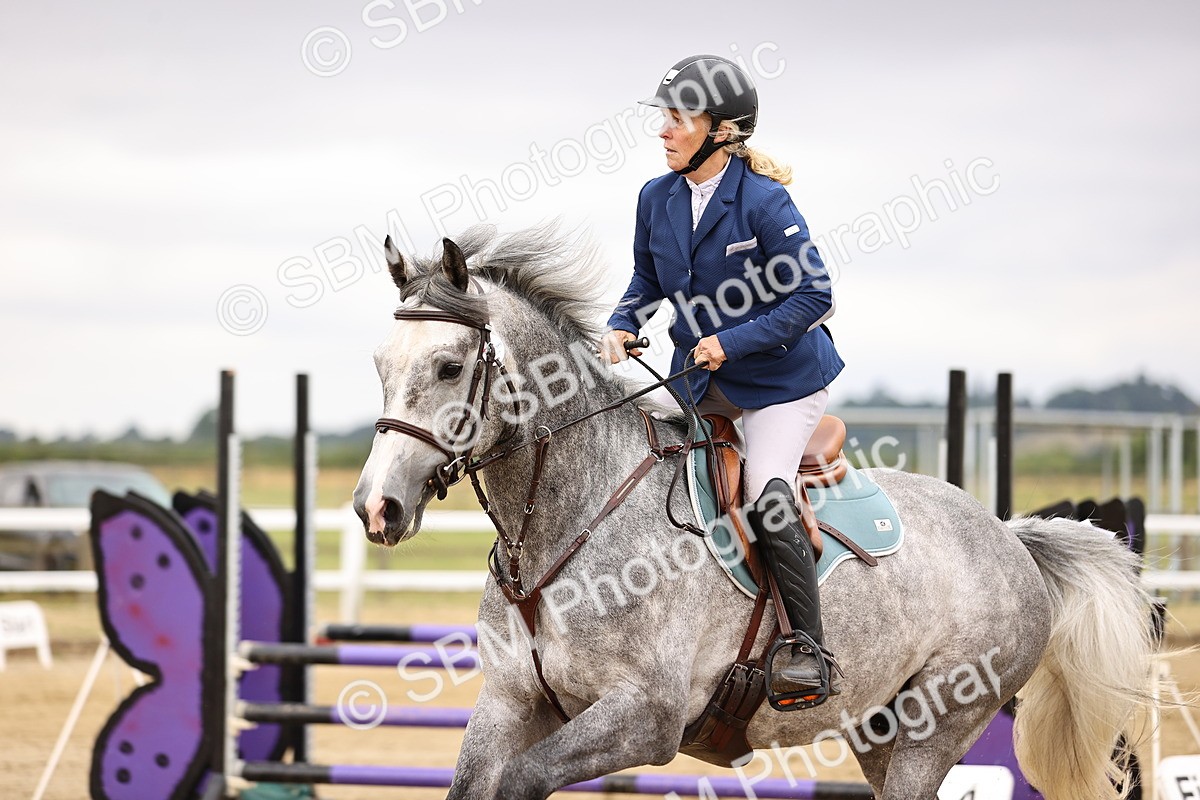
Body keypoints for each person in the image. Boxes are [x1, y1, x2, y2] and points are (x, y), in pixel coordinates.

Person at [600, 54, 845, 705]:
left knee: (766, 490)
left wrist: (729, 341)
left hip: (780, 383)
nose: (665, 130)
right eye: (664, 117)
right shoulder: (656, 198)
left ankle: (807, 650)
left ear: (721, 130)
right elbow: (647, 279)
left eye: (678, 118)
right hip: (696, 380)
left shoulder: (764, 201)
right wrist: (624, 322)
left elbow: (813, 298)